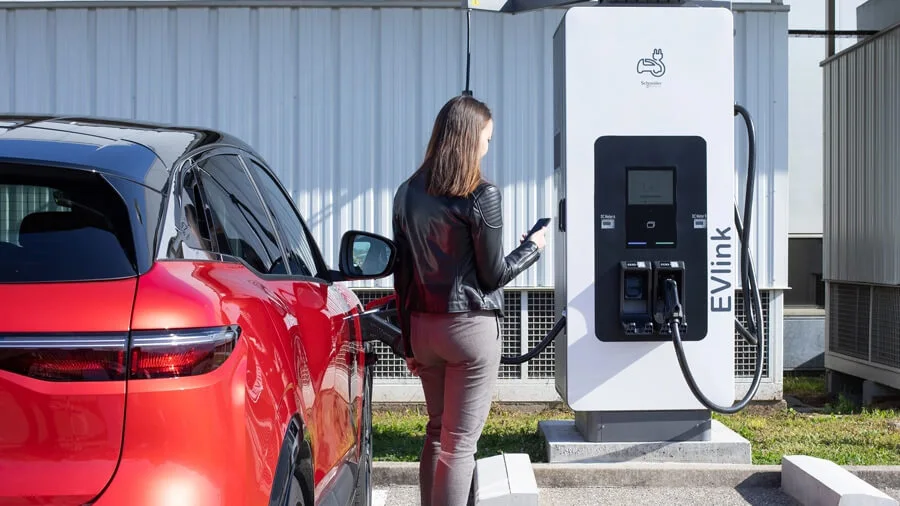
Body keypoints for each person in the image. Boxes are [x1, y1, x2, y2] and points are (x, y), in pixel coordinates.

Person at [391, 95, 547, 506]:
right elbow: (493, 274)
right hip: (469, 330)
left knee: (436, 432)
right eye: (487, 138)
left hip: (423, 328)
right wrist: (533, 248)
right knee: (459, 444)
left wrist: (407, 341)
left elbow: (401, 273)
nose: (487, 147)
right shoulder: (481, 194)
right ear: (469, 138)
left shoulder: (407, 193)